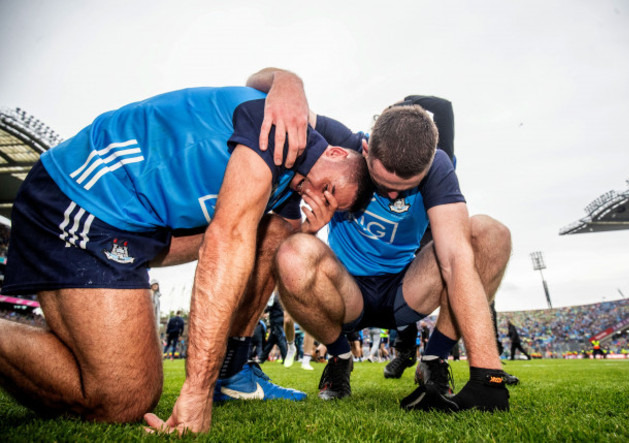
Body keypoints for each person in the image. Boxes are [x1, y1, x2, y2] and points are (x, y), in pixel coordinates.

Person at [0, 73, 373, 434]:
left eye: (328, 205)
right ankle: (210, 381)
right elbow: (224, 241)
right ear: (336, 152)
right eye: (327, 188)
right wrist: (196, 391)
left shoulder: (290, 187)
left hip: (133, 226)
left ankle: (235, 372)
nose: (315, 197)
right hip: (83, 194)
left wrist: (306, 229)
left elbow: (263, 246)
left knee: (273, 231)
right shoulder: (283, 131)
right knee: (123, 401)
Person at [264, 69, 512, 412]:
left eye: (405, 187)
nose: (393, 194)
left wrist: (489, 375)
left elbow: (456, 259)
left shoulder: (438, 165)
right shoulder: (342, 142)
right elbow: (257, 90)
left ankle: (434, 359)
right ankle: (339, 358)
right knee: (293, 251)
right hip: (347, 290)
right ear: (364, 150)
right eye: (383, 183)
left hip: (406, 289)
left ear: (428, 167)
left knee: (491, 234)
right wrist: (287, 81)